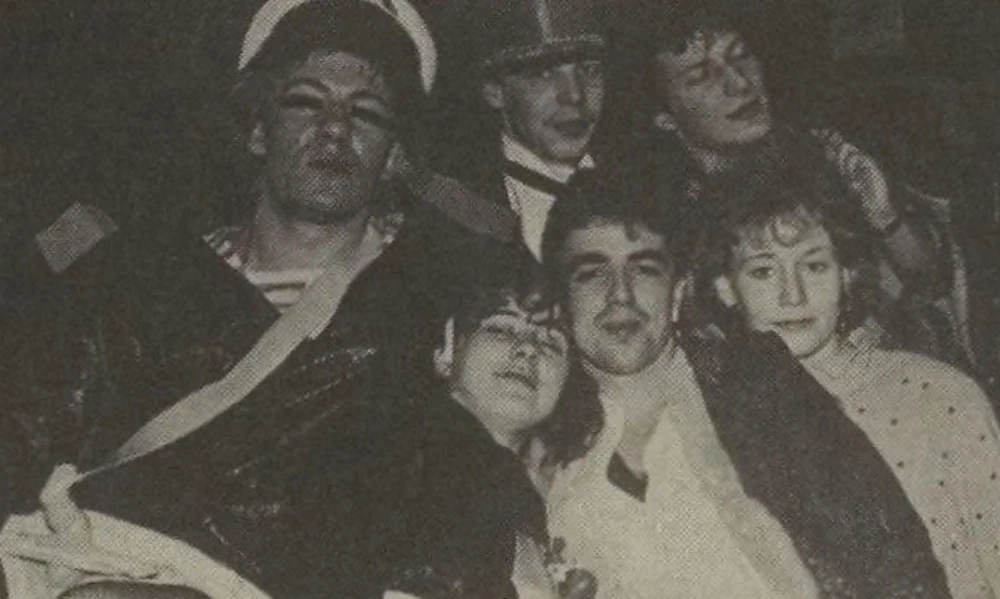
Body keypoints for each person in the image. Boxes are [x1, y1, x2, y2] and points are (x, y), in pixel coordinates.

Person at [0, 1, 519, 597]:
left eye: (366, 112)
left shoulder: (431, 318)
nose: (335, 128)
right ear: (256, 129)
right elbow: (25, 428)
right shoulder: (138, 282)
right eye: (306, 102)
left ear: (395, 157)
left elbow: (464, 521)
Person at [538, 164, 952, 598]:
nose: (620, 294)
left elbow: (894, 556)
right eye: (592, 273)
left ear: (677, 294)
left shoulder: (760, 385)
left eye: (644, 269)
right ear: (561, 304)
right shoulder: (545, 440)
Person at [696, 148, 1000, 598]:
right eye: (763, 271)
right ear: (725, 287)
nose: (793, 294)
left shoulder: (938, 395)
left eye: (814, 266)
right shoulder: (714, 422)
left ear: (847, 274)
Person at [642, 8, 971, 368]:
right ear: (665, 118)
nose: (739, 83)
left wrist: (883, 215)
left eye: (741, 56)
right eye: (701, 77)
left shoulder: (829, 157)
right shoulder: (664, 224)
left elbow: (932, 283)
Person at [412, 0, 607, 261]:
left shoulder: (646, 187)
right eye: (543, 73)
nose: (574, 95)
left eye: (590, 70)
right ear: (495, 91)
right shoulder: (449, 210)